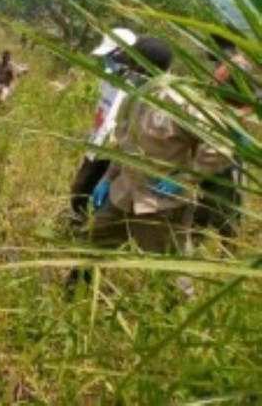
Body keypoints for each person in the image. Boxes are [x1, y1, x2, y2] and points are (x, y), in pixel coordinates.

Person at [74, 37, 229, 267]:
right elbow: (125, 144)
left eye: (129, 68)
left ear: (143, 68)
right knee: (90, 246)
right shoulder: (134, 98)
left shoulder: (180, 102)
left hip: (161, 203)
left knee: (169, 269)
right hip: (123, 192)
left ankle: (179, 302)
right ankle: (76, 289)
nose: (125, 73)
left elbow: (219, 145)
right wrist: (107, 178)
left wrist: (186, 178)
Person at [68, 28, 137, 226]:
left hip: (114, 152)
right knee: (79, 193)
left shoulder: (138, 86)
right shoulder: (110, 75)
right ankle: (77, 226)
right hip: (97, 145)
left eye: (111, 55)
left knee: (93, 199)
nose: (108, 60)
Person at [194, 33, 254, 242]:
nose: (203, 50)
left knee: (229, 196)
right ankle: (200, 236)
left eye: (206, 44)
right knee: (209, 191)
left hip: (230, 141)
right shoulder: (226, 65)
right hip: (216, 138)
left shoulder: (237, 67)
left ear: (216, 45)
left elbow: (251, 100)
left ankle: (229, 247)